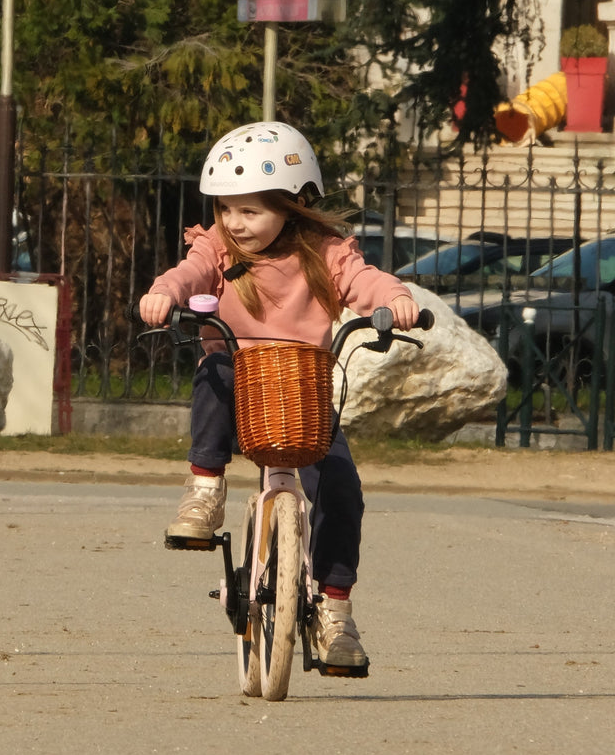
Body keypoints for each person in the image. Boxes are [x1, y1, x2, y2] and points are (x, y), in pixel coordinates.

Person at [139, 122, 418, 671]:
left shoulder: (326, 253)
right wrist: (163, 292)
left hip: (303, 396)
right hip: (242, 389)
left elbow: (367, 281)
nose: (236, 223)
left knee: (342, 490)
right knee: (218, 360)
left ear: (291, 205)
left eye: (251, 211)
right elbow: (187, 273)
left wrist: (396, 299)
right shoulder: (216, 250)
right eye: (227, 209)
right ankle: (204, 489)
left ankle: (336, 613)